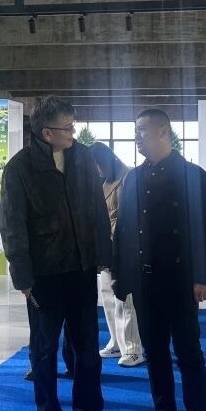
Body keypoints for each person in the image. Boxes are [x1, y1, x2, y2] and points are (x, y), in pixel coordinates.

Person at [0, 96, 112, 411]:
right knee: (44, 352)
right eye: (67, 128)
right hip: (44, 276)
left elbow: (97, 209)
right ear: (46, 133)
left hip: (81, 270)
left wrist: (103, 255)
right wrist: (22, 277)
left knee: (88, 351)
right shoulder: (19, 169)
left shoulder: (83, 158)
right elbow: (12, 226)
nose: (73, 133)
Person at [113, 108, 206, 411]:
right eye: (136, 131)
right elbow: (124, 229)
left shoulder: (193, 176)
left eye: (142, 130)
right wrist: (120, 274)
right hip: (145, 281)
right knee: (155, 355)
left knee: (189, 356)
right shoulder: (134, 178)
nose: (137, 137)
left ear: (163, 132)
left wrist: (203, 275)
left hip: (181, 280)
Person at [90, 141, 144, 368]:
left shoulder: (129, 178)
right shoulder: (103, 183)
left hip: (124, 246)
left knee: (125, 299)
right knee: (107, 297)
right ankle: (116, 341)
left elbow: (131, 217)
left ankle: (133, 349)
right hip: (105, 246)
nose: (97, 170)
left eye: (98, 165)